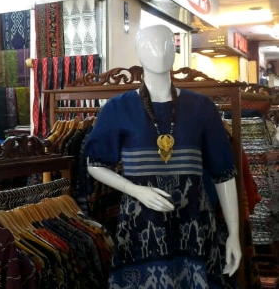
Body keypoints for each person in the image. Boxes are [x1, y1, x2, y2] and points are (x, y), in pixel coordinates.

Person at [84, 24, 241, 288]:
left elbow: (223, 173)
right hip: (140, 228)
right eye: (150, 44)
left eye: (167, 44)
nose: (160, 50)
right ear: (138, 52)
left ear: (175, 51)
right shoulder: (118, 108)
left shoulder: (202, 107)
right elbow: (95, 164)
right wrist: (135, 190)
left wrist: (234, 234)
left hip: (195, 226)